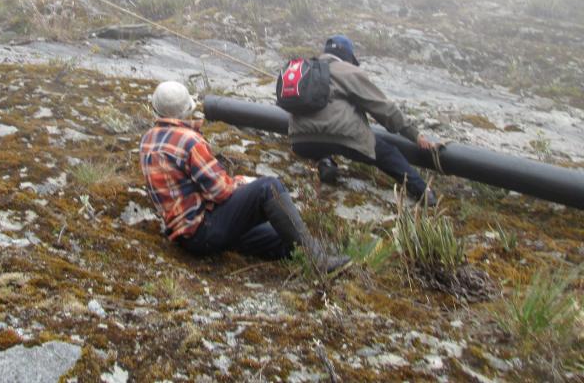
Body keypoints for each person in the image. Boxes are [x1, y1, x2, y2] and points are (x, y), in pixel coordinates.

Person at [139, 81, 349, 273]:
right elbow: (221, 192)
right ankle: (319, 262)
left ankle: (316, 254)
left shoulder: (147, 140)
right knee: (269, 187)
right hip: (204, 230)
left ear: (157, 109)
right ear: (186, 109)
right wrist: (243, 182)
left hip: (187, 236)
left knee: (281, 236)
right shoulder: (189, 141)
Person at [289, 35, 438, 206]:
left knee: (321, 138)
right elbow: (383, 108)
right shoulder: (349, 71)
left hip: (299, 140)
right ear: (348, 57)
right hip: (343, 136)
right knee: (387, 153)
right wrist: (414, 134)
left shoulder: (306, 69)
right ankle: (423, 191)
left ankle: (325, 163)